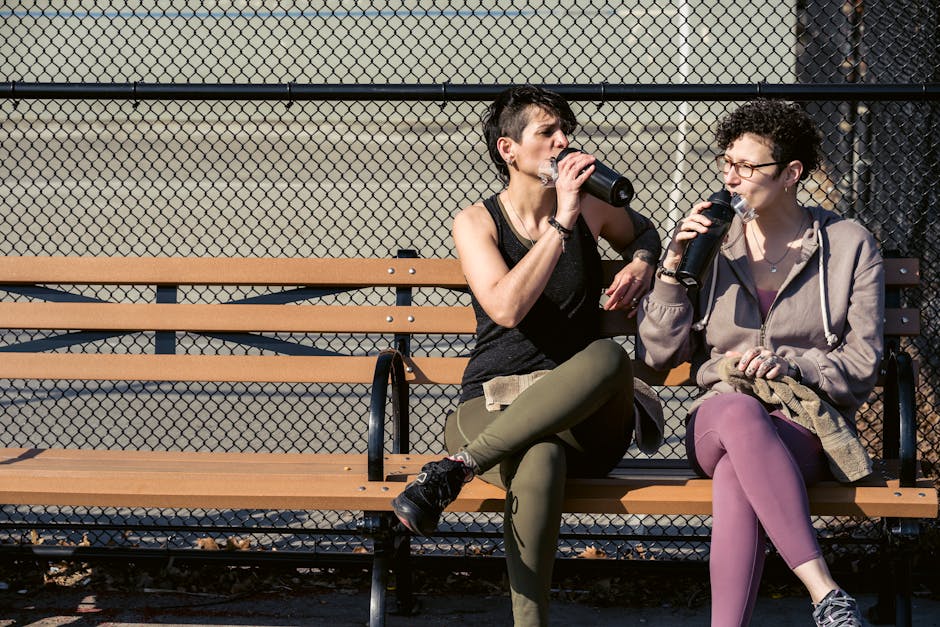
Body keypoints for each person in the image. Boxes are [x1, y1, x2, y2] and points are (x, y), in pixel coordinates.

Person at [390, 85, 665, 626]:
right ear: (507, 149)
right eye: (548, 132)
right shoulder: (477, 222)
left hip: (584, 420)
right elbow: (507, 308)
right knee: (540, 458)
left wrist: (640, 262)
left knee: (609, 357)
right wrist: (560, 224)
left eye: (567, 131)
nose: (564, 142)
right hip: (492, 404)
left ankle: (456, 468)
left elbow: (647, 232)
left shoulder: (592, 209)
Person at [638, 98, 883, 627]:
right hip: (719, 415)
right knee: (739, 415)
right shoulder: (712, 243)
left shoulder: (847, 245)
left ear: (791, 173)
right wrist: (673, 270)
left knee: (734, 477)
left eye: (748, 167)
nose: (732, 178)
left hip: (803, 423)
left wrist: (795, 366)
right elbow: (658, 355)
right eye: (727, 163)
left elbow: (862, 363)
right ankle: (825, 594)